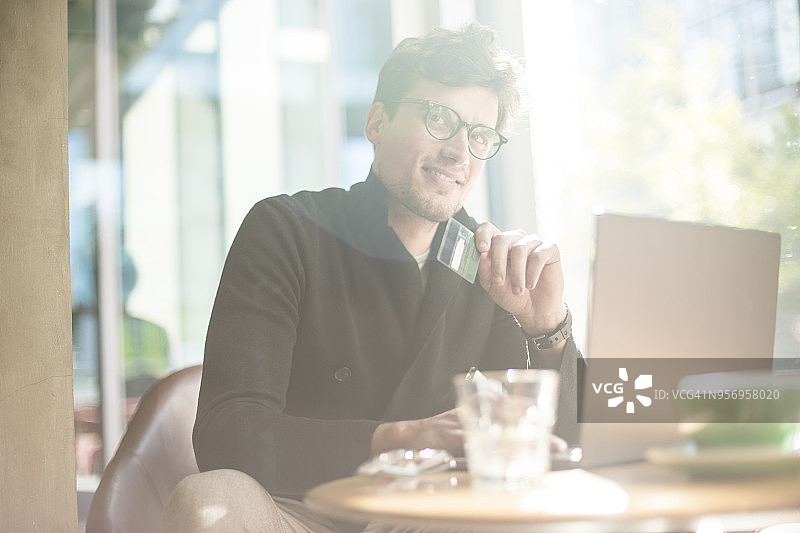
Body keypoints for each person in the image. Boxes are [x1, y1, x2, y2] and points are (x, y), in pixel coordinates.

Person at [163, 22, 583, 533]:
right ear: (377, 122)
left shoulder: (488, 263)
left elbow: (558, 456)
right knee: (209, 499)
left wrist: (547, 331)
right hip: (298, 512)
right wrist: (404, 436)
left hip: (432, 515)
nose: (459, 152)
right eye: (438, 118)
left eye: (479, 136)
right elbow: (228, 435)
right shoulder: (287, 229)